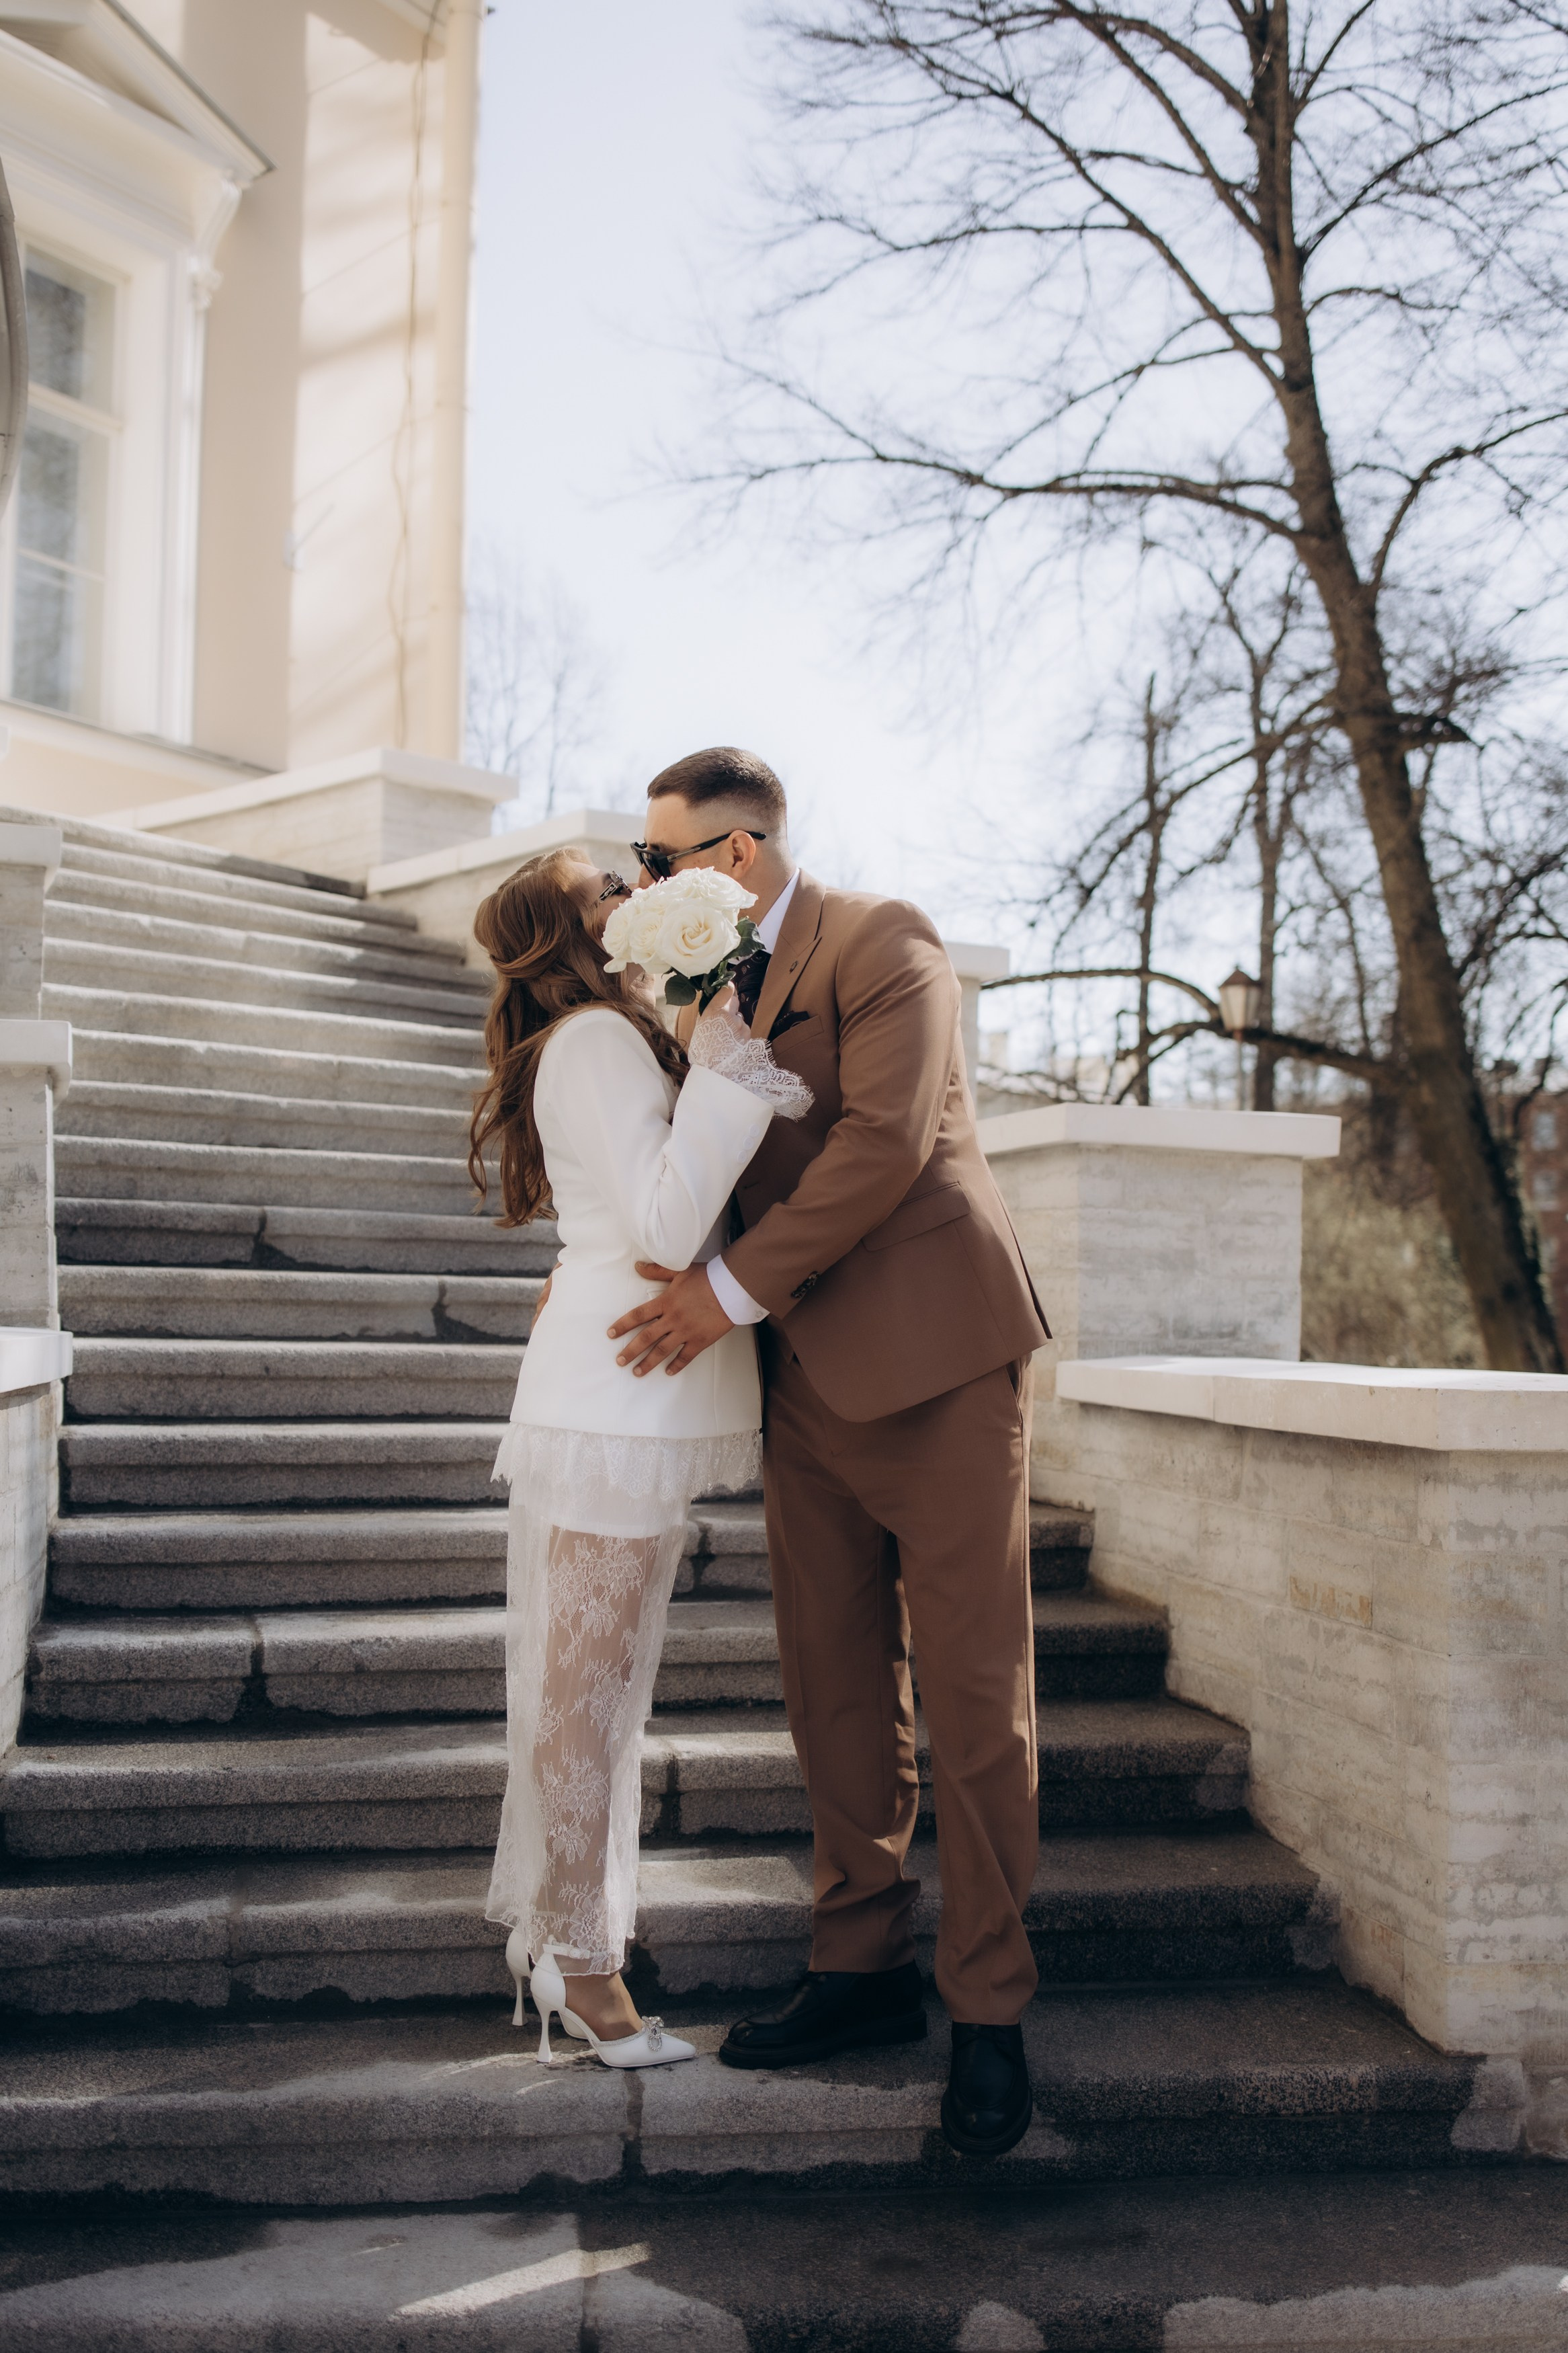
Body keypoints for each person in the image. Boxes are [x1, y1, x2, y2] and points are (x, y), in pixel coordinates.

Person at [609, 748, 1050, 2157]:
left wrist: (720, 1297)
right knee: (834, 1692)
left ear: (734, 857)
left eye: (658, 857)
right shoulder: (700, 982)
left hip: (937, 1365)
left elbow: (883, 1145)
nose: (641, 879)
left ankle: (987, 2007)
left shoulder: (884, 939)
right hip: (803, 1385)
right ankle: (858, 1969)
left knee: (975, 1703)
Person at [468, 845, 809, 2069]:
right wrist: (723, 1062)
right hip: (619, 1386)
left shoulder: (619, 1037)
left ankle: (572, 1940)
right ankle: (579, 1960)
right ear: (571, 938)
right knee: (590, 1690)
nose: (634, 887)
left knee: (599, 1683)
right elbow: (668, 1231)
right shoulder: (597, 1043)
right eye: (605, 887)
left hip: (625, 1383)